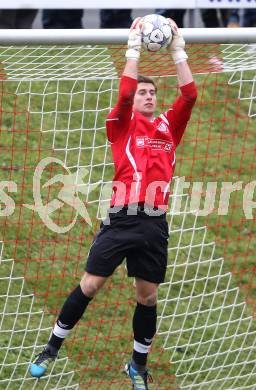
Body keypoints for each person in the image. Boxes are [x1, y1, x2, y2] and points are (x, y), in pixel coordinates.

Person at [29, 17, 197, 389]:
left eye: (152, 92)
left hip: (155, 221)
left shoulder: (170, 126)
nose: (148, 95)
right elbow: (123, 94)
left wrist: (177, 49)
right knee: (90, 285)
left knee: (147, 296)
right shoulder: (121, 125)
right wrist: (134, 48)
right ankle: (52, 348)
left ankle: (138, 365)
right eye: (143, 92)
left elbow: (189, 95)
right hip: (122, 218)